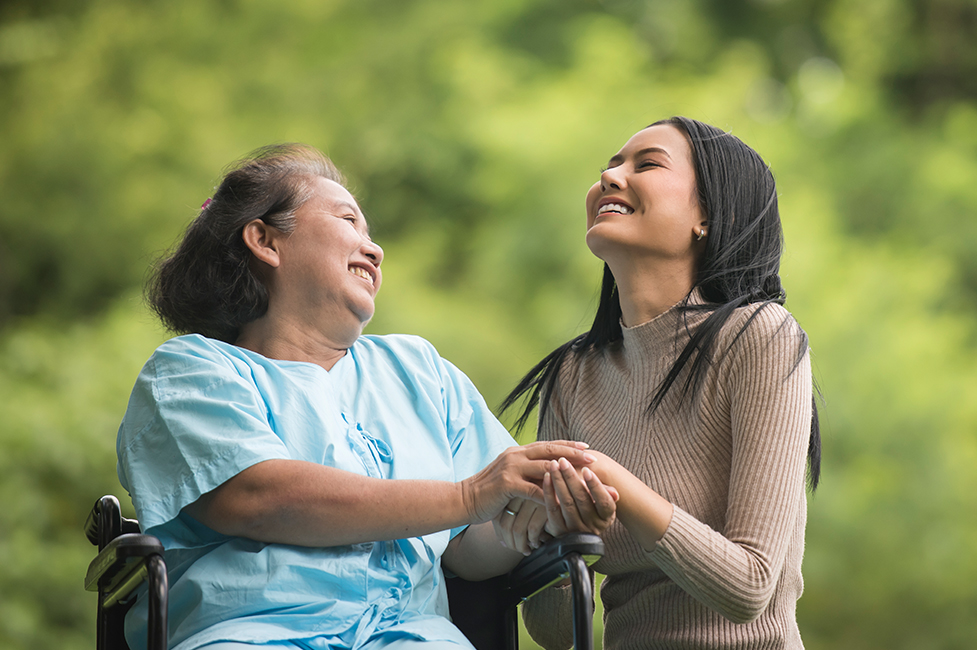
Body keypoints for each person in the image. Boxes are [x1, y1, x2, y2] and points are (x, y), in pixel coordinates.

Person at [115, 144, 614, 650]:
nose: (373, 249)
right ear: (265, 241)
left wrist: (542, 512)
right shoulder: (190, 371)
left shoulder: (421, 372)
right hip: (254, 634)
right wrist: (469, 495)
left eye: (370, 234)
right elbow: (258, 497)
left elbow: (466, 548)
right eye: (348, 221)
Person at [498, 117, 821, 649]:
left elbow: (750, 586)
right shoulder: (573, 376)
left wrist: (612, 482)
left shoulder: (759, 337)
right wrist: (552, 530)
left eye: (645, 164)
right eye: (610, 163)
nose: (610, 175)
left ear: (708, 216)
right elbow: (556, 633)